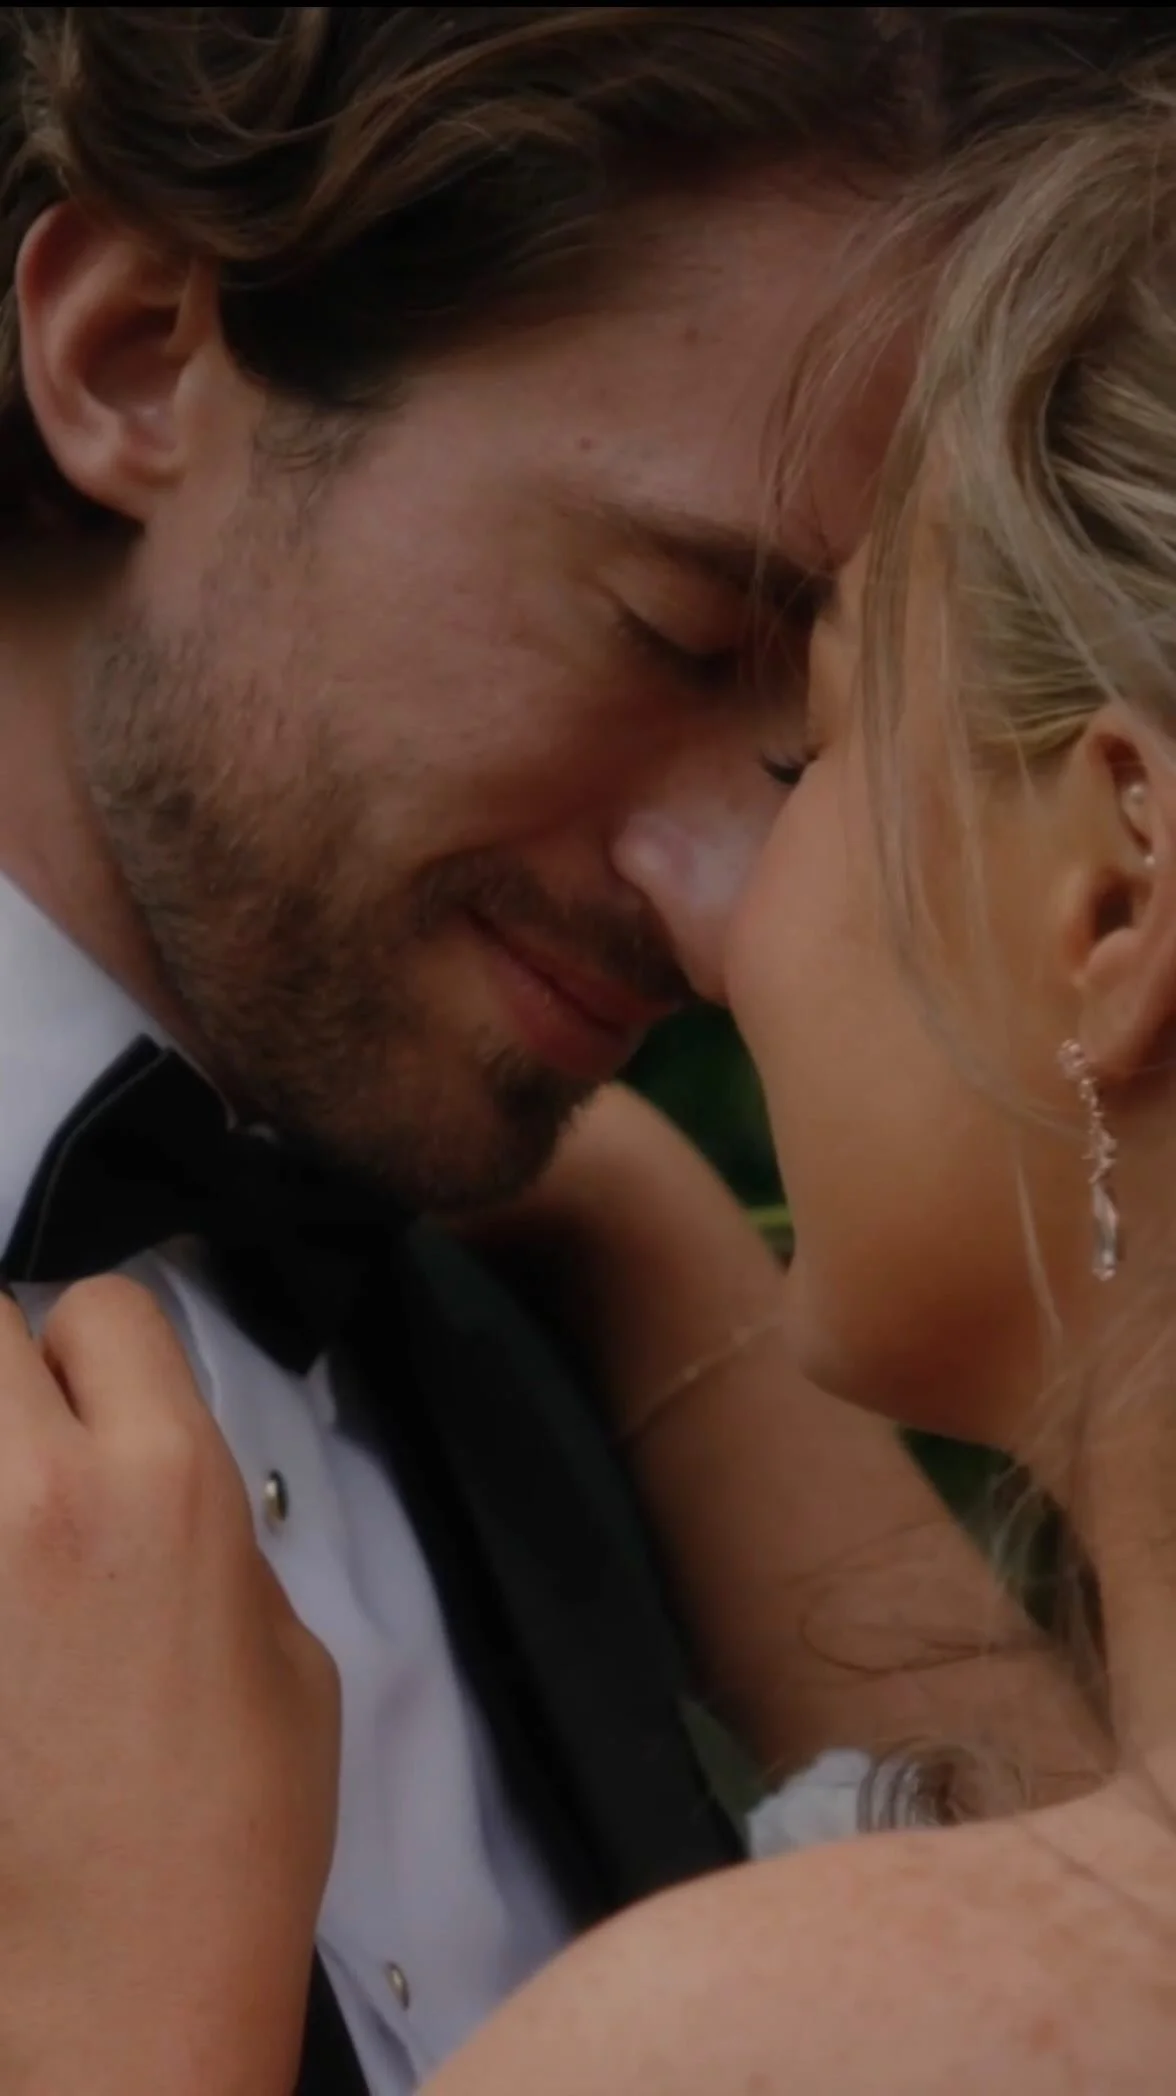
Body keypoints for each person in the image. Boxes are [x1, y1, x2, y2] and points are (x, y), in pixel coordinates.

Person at [0, 7, 1135, 2094]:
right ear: (135, 357)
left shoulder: (558, 1330)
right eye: (675, 635)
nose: (727, 917)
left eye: (816, 746)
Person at [414, 34, 1176, 2096]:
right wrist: (647, 1227)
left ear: (1116, 892)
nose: (718, 921)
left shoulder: (731, 2042)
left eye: (816, 748)